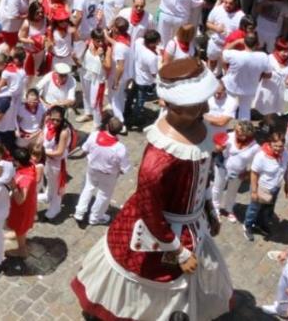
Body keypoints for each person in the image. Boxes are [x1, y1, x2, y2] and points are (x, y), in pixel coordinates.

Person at [71, 57, 233, 320]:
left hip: (193, 224)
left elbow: (202, 179)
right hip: (162, 234)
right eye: (195, 104)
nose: (204, 107)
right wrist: (177, 250)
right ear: (170, 106)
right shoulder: (158, 160)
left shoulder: (200, 128)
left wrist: (209, 211)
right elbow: (150, 210)